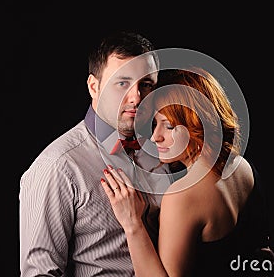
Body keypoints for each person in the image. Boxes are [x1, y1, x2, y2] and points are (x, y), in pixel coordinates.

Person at [19, 31, 174, 276]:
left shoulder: (163, 150)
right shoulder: (58, 166)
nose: (136, 97)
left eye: (146, 85)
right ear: (94, 87)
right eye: (122, 83)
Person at [101, 67, 274, 276]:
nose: (156, 136)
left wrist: (133, 224)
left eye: (169, 126)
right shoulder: (241, 166)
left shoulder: (182, 197)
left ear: (197, 124)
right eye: (156, 124)